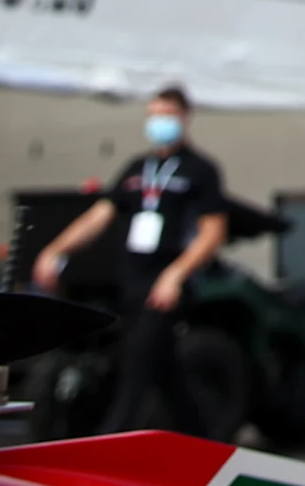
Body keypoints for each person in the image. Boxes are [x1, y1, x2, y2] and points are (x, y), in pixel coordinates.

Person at [33, 86, 229, 435]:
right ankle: (205, 438)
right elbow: (99, 216)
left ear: (184, 118)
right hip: (134, 280)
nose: (160, 122)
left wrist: (177, 275)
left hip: (168, 282)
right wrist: (55, 250)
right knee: (166, 372)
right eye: (154, 114)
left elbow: (212, 232)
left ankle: (111, 437)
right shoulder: (137, 168)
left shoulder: (200, 170)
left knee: (138, 363)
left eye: (167, 115)